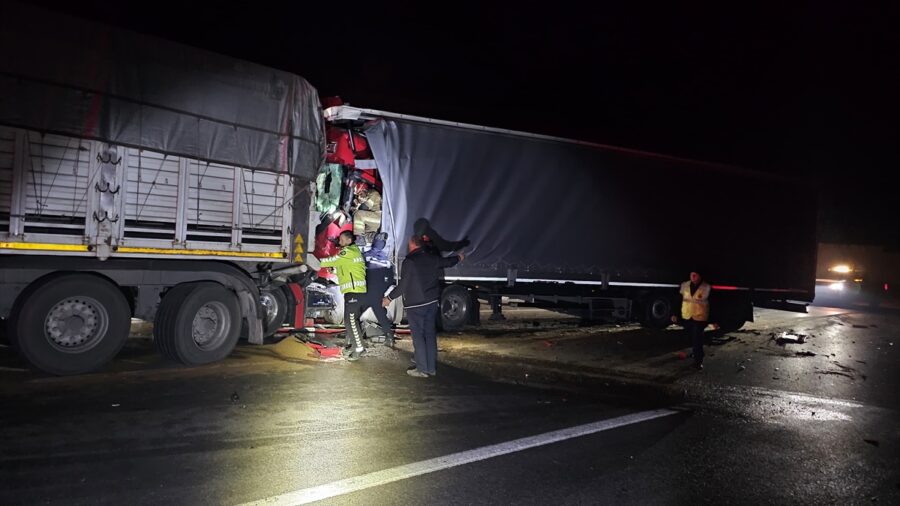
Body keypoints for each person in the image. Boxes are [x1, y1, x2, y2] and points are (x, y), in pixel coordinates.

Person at [383, 235, 463, 377]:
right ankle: (431, 368)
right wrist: (459, 258)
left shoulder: (409, 261)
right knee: (430, 335)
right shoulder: (432, 257)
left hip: (416, 305)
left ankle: (422, 369)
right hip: (431, 302)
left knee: (418, 336)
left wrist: (389, 298)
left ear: (413, 244)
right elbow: (447, 262)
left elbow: (403, 285)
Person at [317, 231, 380, 361]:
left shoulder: (347, 252)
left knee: (351, 321)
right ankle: (353, 346)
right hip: (353, 291)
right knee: (349, 321)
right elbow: (346, 268)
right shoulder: (352, 252)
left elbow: (332, 260)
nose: (339, 242)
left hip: (354, 292)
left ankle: (359, 348)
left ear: (348, 240)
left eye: (341, 239)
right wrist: (334, 270)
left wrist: (314, 261)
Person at [673, 270, 711, 369]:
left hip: (700, 317)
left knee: (697, 339)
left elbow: (711, 303)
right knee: (690, 337)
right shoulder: (685, 285)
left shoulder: (706, 287)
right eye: (691, 274)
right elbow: (679, 300)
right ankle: (694, 354)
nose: (693, 276)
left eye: (695, 275)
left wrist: (711, 319)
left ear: (700, 276)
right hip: (687, 316)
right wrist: (675, 314)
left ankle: (698, 361)